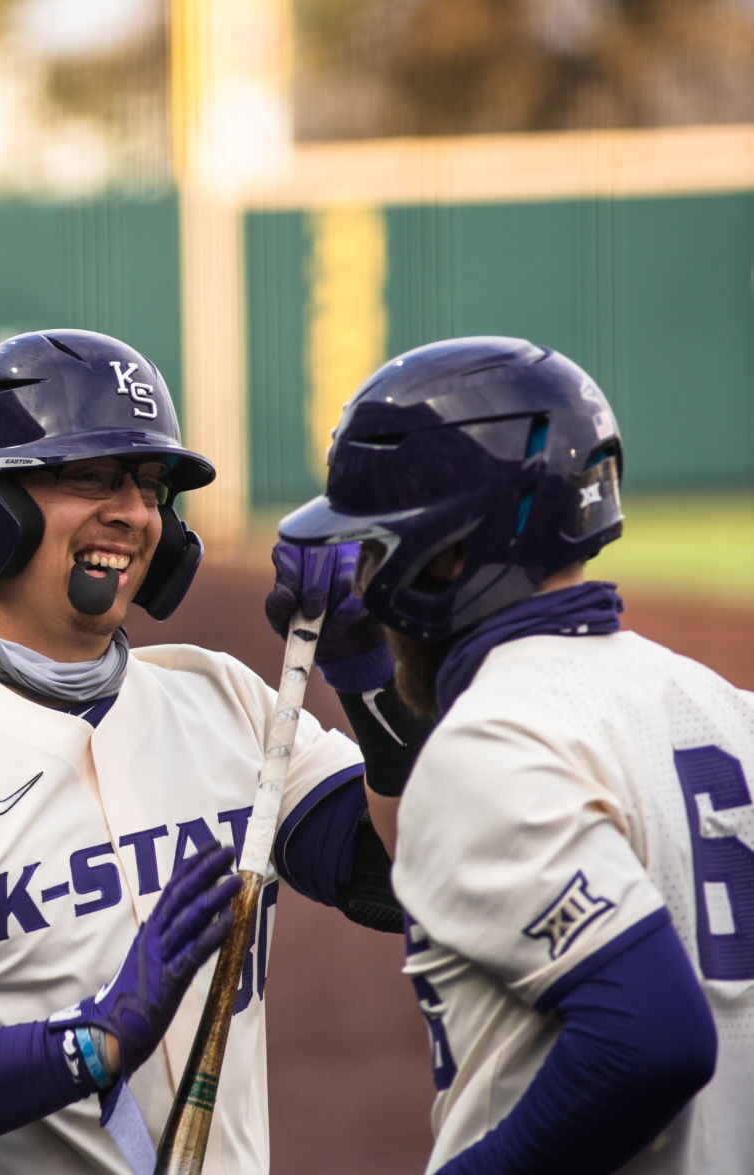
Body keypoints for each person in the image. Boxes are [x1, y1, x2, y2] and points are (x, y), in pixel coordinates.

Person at [0, 329, 401, 1175]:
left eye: (148, 484)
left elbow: (402, 874)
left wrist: (364, 671)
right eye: (89, 476)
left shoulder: (226, 702)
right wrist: (83, 1046)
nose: (131, 511)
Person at [274, 335, 749, 1174]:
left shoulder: (491, 741)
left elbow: (653, 1040)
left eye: (377, 546)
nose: (365, 582)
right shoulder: (720, 705)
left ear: (446, 556)